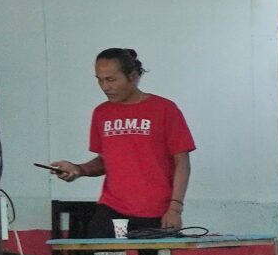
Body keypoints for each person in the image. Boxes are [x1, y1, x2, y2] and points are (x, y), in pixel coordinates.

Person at [46, 47, 195, 233]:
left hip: (157, 210)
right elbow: (105, 160)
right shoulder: (101, 112)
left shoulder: (165, 109)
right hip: (112, 208)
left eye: (111, 79)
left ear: (133, 76)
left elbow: (182, 162)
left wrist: (175, 208)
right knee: (101, 252)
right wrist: (78, 169)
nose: (105, 87)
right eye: (100, 80)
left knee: (153, 254)